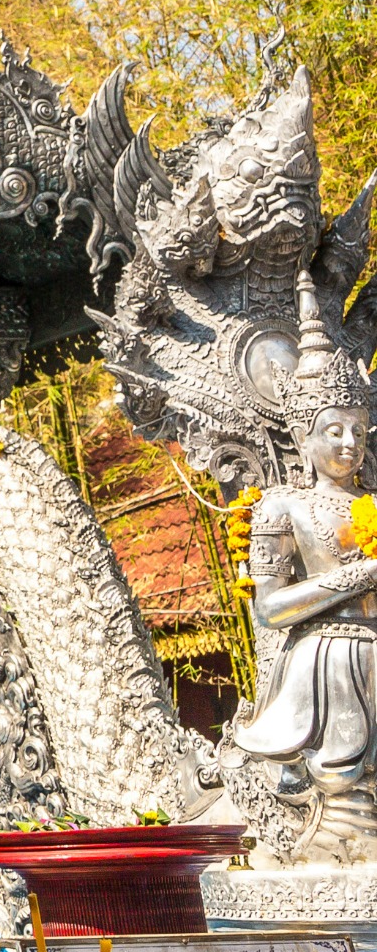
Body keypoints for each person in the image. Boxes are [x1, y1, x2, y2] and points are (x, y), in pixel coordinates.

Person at [238, 281, 377, 854]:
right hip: (322, 661)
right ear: (303, 435)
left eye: (360, 433)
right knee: (339, 778)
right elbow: (269, 608)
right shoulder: (281, 507)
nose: (348, 444)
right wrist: (359, 575)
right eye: (334, 431)